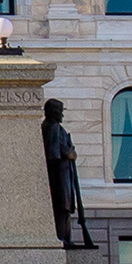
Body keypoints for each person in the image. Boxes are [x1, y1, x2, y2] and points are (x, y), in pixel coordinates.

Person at [40, 94, 91, 252]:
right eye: (60, 111)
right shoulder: (52, 127)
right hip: (59, 175)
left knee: (66, 208)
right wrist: (69, 153)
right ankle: (62, 238)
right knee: (62, 207)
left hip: (64, 174)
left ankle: (66, 238)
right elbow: (53, 152)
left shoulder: (54, 127)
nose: (62, 114)